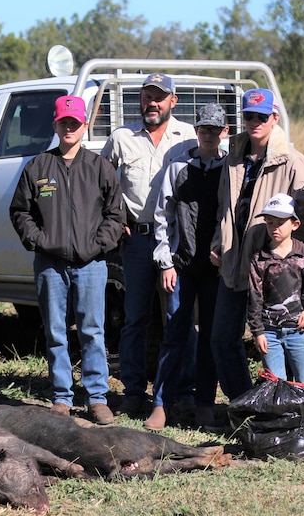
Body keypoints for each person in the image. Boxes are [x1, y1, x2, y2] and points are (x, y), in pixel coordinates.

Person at [10, 95, 124, 425]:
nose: (69, 127)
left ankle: (97, 397)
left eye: (75, 122)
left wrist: (96, 246)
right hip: (50, 264)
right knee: (56, 331)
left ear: (84, 125)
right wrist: (41, 241)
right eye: (64, 122)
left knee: (92, 330)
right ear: (55, 125)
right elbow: (20, 211)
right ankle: (61, 397)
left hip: (91, 264)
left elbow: (116, 215)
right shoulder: (38, 166)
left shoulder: (99, 167)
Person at [101, 73, 197, 417]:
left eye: (159, 97)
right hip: (138, 240)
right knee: (135, 318)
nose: (151, 103)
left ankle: (183, 392)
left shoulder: (188, 136)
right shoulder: (121, 138)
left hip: (178, 240)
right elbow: (104, 184)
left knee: (179, 317)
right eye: (146, 97)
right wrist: (117, 221)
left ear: (173, 101)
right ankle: (133, 391)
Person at [209, 88, 304, 401]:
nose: (255, 122)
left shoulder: (293, 162)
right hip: (233, 262)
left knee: (282, 344)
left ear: (274, 118)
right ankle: (245, 403)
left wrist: (288, 263)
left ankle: (300, 407)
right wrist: (218, 239)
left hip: (273, 270)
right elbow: (224, 207)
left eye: (262, 116)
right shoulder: (234, 158)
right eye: (249, 116)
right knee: (222, 338)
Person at [144, 103, 228, 431]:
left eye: (215, 129)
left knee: (210, 337)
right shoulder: (178, 166)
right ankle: (161, 403)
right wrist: (165, 262)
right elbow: (162, 215)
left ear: (225, 132)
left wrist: (225, 253)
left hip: (214, 268)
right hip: (180, 266)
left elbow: (231, 216)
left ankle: (204, 404)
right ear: (197, 130)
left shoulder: (229, 169)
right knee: (174, 335)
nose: (208, 134)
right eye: (204, 128)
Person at [246, 193, 304, 384]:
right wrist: (258, 331)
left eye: (280, 222)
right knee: (276, 383)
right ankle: (281, 415)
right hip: (270, 332)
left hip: (297, 330)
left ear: (295, 224)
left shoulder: (303, 254)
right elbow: (254, 296)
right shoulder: (260, 259)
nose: (274, 227)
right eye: (269, 222)